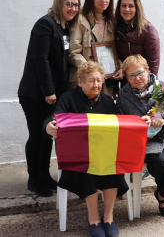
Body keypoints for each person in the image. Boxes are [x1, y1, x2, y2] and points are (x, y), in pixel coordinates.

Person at [45, 62, 130, 237]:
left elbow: (120, 123)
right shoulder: (68, 99)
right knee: (88, 169)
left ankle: (108, 218)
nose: (96, 85)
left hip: (103, 154)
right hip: (79, 156)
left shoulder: (107, 101)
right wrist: (48, 127)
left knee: (113, 168)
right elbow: (54, 119)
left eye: (99, 81)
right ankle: (93, 219)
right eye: (91, 81)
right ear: (80, 82)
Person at [18, 0, 80, 197]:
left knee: (47, 136)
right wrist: (49, 91)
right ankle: (34, 179)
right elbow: (41, 59)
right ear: (58, 4)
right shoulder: (45, 25)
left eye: (75, 4)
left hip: (52, 95)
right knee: (37, 135)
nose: (73, 8)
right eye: (68, 4)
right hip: (36, 94)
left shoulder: (63, 28)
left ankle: (44, 176)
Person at [116, 54, 164, 217]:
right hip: (145, 140)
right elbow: (120, 120)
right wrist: (138, 123)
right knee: (158, 162)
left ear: (148, 70)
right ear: (126, 77)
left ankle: (162, 194)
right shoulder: (124, 94)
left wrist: (163, 119)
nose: (137, 78)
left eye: (140, 72)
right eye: (131, 75)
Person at [68, 0, 120, 95]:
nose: (103, 0)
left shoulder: (112, 21)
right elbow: (73, 52)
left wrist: (120, 67)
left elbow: (116, 53)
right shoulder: (80, 20)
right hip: (85, 81)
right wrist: (91, 70)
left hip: (106, 83)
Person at [114, 0, 160, 92]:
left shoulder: (148, 29)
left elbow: (153, 65)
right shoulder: (115, 29)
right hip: (125, 85)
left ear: (137, 8)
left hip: (144, 85)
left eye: (131, 6)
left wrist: (145, 87)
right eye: (123, 5)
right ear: (119, 8)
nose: (127, 9)